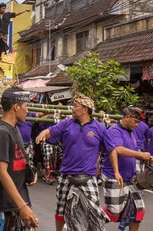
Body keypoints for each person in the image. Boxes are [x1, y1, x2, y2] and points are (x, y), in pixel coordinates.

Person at [35, 94, 108, 231]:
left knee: (93, 209)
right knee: (61, 209)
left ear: (85, 109)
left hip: (89, 176)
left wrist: (114, 170)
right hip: (66, 174)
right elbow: (50, 131)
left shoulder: (100, 128)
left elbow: (110, 149)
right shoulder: (67, 123)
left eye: (75, 106)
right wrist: (43, 134)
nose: (72, 108)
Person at [0, 87, 38, 231]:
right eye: (26, 106)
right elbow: (2, 172)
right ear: (16, 107)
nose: (27, 110)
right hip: (0, 206)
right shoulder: (1, 132)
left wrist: (31, 173)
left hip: (17, 202)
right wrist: (22, 206)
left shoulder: (15, 129)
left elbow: (18, 160)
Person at [101, 106, 153, 229]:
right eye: (136, 122)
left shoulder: (131, 132)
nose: (137, 125)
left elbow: (133, 152)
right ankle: (88, 219)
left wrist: (147, 158)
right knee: (113, 212)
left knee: (138, 212)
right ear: (127, 117)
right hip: (113, 176)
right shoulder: (115, 131)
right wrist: (140, 154)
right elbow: (118, 149)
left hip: (129, 177)